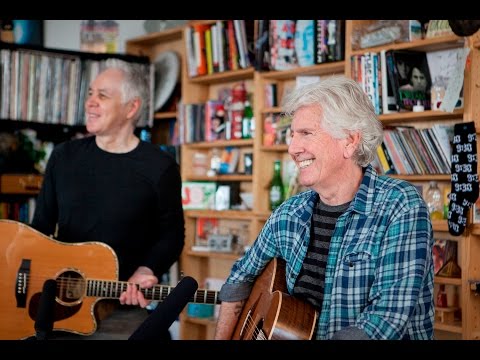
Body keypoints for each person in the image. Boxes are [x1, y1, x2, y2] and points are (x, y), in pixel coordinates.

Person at [214, 76, 434, 340]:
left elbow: (385, 320)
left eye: (306, 133)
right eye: (292, 135)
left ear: (350, 141)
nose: (293, 148)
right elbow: (239, 280)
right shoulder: (289, 214)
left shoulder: (400, 206)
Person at [31, 59, 185, 337]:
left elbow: (172, 236)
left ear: (132, 107)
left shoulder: (160, 167)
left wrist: (146, 269)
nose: (90, 102)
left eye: (102, 95)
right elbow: (40, 226)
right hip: (61, 305)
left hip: (121, 307)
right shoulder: (64, 156)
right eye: (90, 93)